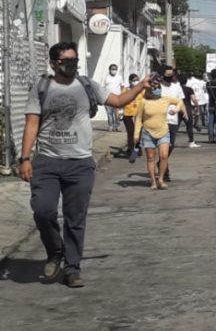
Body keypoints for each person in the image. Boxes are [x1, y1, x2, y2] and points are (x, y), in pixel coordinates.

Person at [19, 42, 152, 288]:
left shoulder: (87, 85)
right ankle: (55, 251)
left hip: (80, 164)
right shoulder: (41, 88)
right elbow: (31, 124)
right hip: (47, 161)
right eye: (65, 60)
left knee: (75, 218)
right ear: (53, 63)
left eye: (74, 60)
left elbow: (119, 101)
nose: (70, 64)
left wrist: (140, 87)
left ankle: (72, 268)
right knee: (43, 210)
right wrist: (25, 158)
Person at [135, 80, 186, 191]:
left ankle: (161, 179)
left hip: (163, 132)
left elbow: (180, 102)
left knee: (163, 156)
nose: (156, 88)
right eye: (153, 87)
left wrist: (176, 110)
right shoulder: (144, 102)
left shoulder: (165, 99)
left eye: (157, 86)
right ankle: (153, 181)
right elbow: (138, 118)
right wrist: (136, 134)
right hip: (148, 132)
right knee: (150, 158)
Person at [122, 74, 145, 161]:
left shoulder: (141, 90)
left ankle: (137, 148)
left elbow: (145, 100)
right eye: (134, 80)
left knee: (138, 133)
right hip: (128, 114)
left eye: (137, 80)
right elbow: (121, 100)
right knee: (131, 132)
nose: (136, 82)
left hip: (139, 114)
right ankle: (131, 150)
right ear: (130, 81)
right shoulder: (125, 90)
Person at [178, 74, 201, 149]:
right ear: (186, 81)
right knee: (189, 126)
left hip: (177, 108)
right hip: (187, 108)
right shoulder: (189, 89)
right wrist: (197, 107)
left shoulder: (176, 89)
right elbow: (194, 99)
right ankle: (191, 142)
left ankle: (169, 142)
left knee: (174, 127)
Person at [102, 63, 123, 132]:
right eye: (113, 69)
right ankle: (110, 126)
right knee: (109, 114)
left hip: (117, 98)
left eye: (115, 69)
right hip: (108, 98)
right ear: (109, 70)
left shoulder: (119, 77)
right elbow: (102, 88)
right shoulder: (106, 78)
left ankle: (117, 126)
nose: (114, 70)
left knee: (116, 114)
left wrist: (122, 95)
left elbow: (122, 86)